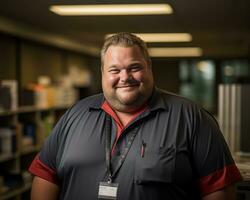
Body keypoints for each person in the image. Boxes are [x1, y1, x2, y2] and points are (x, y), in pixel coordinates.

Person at [29, 32, 242, 200]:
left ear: (149, 68)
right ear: (103, 73)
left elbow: (218, 189)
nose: (125, 77)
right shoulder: (75, 115)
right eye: (115, 70)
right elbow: (46, 177)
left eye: (134, 68)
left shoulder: (192, 117)